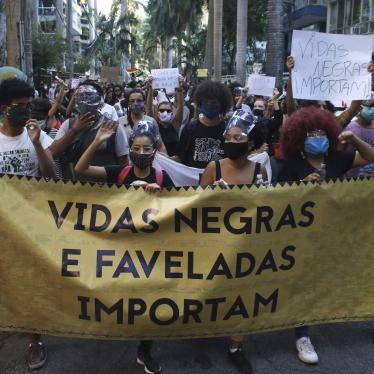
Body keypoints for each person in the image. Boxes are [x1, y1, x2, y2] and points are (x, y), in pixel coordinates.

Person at [277, 107, 374, 365]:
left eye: (321, 133)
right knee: (302, 280)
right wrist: (300, 189)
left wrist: (353, 140)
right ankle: (302, 335)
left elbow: (370, 157)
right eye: (311, 134)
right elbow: (274, 199)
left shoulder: (337, 160)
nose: (316, 137)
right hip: (299, 234)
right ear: (299, 138)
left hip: (330, 232)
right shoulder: (292, 165)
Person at [200, 110, 267, 374]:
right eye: (228, 137)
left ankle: (236, 345)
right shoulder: (213, 168)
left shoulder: (260, 170)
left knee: (241, 293)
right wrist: (213, 195)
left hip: (244, 246)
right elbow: (196, 205)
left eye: (238, 137)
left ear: (250, 142)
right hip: (214, 243)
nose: (232, 141)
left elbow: (265, 209)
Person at [0, 78, 56, 370]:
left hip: (32, 225)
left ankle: (35, 341)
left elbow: (53, 176)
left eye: (27, 106)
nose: (24, 112)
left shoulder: (38, 136)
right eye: (17, 107)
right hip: (3, 226)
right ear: (3, 109)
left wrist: (37, 144)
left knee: (30, 282)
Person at [50, 81, 129, 180]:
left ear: (100, 99)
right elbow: (52, 153)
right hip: (74, 188)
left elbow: (124, 163)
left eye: (89, 94)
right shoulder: (68, 124)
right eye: (80, 95)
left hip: (105, 190)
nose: (84, 99)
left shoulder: (112, 127)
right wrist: (74, 130)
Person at [174, 80, 233, 168]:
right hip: (193, 181)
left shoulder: (228, 132)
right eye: (206, 102)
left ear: (222, 105)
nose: (209, 105)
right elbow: (180, 157)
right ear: (200, 104)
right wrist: (162, 159)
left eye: (213, 102)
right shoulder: (190, 129)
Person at [124, 88, 167, 153]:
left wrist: (165, 160)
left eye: (139, 101)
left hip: (147, 162)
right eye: (132, 101)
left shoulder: (151, 121)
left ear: (144, 102)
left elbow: (160, 146)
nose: (135, 103)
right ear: (128, 103)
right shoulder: (119, 122)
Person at [344, 101, 374, 177]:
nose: (372, 109)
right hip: (354, 178)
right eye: (370, 106)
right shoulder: (350, 128)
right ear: (360, 107)